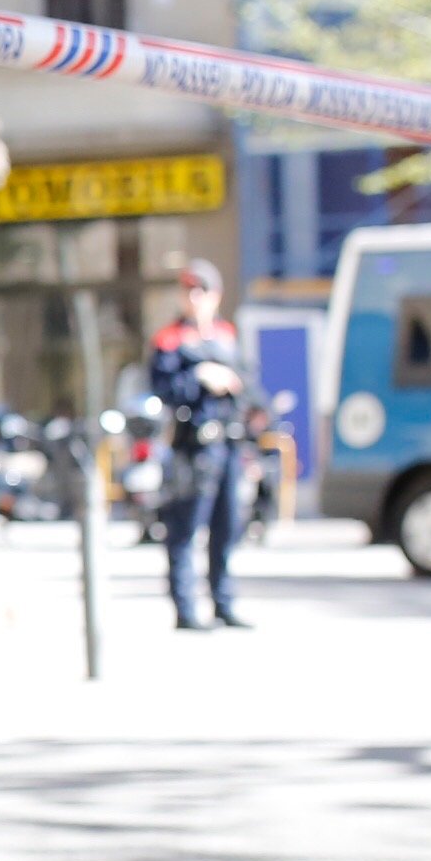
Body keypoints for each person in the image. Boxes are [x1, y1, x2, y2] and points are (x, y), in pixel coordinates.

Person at [149, 256, 252, 631]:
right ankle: (186, 608)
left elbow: (247, 385)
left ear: (216, 295)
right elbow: (164, 390)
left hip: (227, 443)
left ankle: (223, 603)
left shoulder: (227, 336)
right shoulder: (169, 341)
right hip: (191, 446)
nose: (195, 298)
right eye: (189, 290)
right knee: (185, 527)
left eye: (202, 290)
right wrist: (199, 377)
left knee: (227, 528)